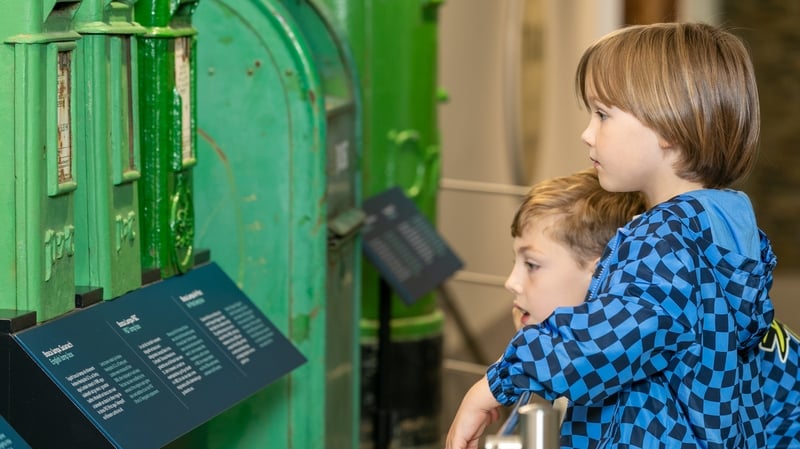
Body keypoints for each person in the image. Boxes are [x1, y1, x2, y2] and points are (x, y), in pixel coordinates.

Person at [447, 22, 781, 449]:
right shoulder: (727, 233)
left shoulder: (665, 240)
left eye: (603, 115)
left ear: (669, 127)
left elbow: (602, 342)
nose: (587, 133)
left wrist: (495, 384)